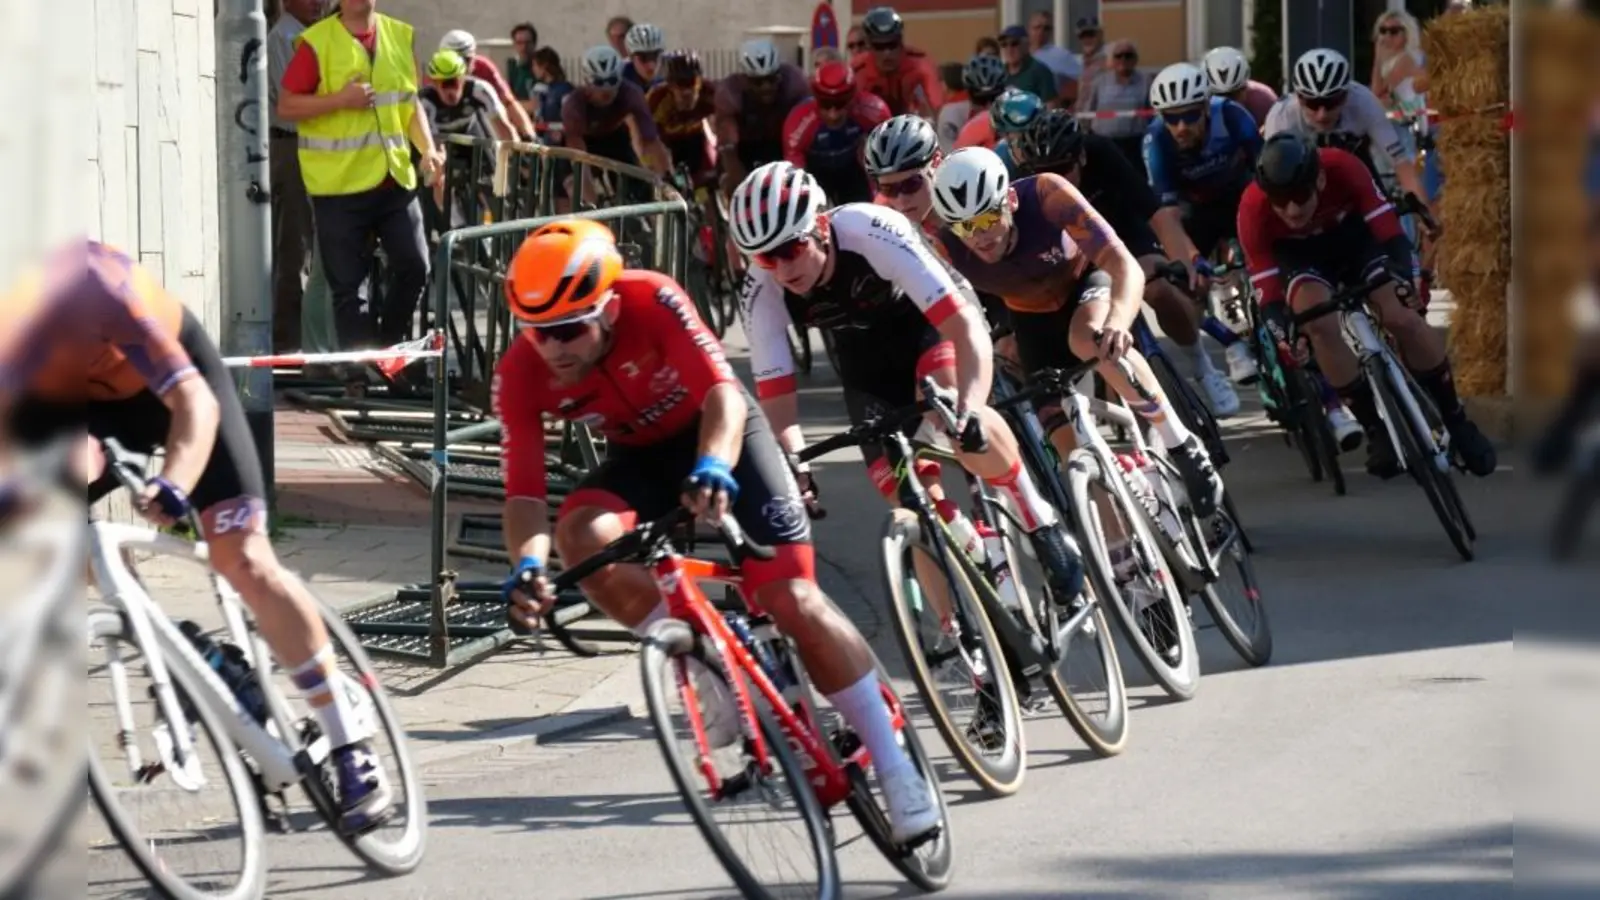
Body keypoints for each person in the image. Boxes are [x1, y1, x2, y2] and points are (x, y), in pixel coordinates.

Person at [495, 219, 941, 845]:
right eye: (537, 332)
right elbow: (523, 492)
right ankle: (704, 656)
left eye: (570, 329)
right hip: (641, 459)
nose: (554, 347)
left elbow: (723, 396)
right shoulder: (522, 370)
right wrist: (528, 567)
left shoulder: (653, 300)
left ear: (611, 308)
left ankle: (896, 765)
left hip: (722, 433)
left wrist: (712, 464)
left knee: (790, 599)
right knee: (581, 536)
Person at [0, 241, 394, 833]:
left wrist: (176, 484)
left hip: (180, 388)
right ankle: (172, 641)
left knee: (242, 557)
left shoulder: (106, 290)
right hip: (96, 416)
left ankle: (348, 733)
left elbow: (194, 404)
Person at [729, 161, 1087, 605]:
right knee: (903, 490)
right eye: (766, 257)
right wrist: (796, 468)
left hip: (931, 325)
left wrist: (971, 406)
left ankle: (1038, 518)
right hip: (866, 365)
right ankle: (961, 628)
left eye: (791, 249)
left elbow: (963, 328)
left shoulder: (870, 228)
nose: (782, 269)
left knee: (952, 415)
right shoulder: (761, 291)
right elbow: (779, 406)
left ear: (821, 225)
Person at [928, 148, 1226, 521]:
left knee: (1087, 338)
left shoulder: (1047, 196)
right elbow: (955, 327)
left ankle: (1180, 442)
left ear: (1010, 200)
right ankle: (1122, 562)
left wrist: (1118, 320)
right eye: (965, 226)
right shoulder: (946, 248)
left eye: (988, 218)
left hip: (1085, 287)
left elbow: (1124, 266)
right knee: (1069, 454)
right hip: (1031, 322)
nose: (981, 236)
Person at [1238, 134, 1496, 477]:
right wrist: (1287, 335)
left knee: (1400, 316)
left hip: (1358, 240)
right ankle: (1376, 428)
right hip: (1302, 260)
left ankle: (1456, 420)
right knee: (1318, 325)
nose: (1291, 209)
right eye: (1280, 202)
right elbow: (1268, 295)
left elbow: (1391, 235)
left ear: (1319, 179)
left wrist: (1405, 281)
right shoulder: (1253, 208)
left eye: (1299, 196)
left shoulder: (1343, 166)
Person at [1015, 109, 1256, 411]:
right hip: (1071, 251)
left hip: (1122, 231)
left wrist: (1184, 262)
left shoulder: (1102, 152)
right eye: (1044, 170)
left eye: (1064, 167)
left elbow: (1157, 213)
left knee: (1160, 290)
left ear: (1082, 158)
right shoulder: (1026, 182)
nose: (1057, 179)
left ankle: (1202, 366)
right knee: (1101, 324)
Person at [277, 0, 440, 355]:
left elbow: (409, 105)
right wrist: (339, 100)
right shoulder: (318, 42)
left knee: (415, 266)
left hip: (394, 180)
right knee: (350, 291)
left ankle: (389, 355)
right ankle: (358, 376)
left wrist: (427, 148)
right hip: (339, 188)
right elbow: (286, 105)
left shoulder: (399, 35)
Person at [1264, 49, 1432, 225]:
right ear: (1298, 97)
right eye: (1312, 104)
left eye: (1331, 102)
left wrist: (1426, 216)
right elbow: (1275, 186)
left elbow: (1401, 165)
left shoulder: (1364, 102)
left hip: (1356, 163)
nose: (1322, 115)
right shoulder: (1281, 117)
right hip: (1302, 177)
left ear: (1346, 95)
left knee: (1385, 220)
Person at [266, 0, 325, 352]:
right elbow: (298, 101)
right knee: (295, 248)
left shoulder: (303, 35)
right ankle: (288, 346)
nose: (318, 2)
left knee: (304, 246)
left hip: (308, 147)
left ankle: (296, 343)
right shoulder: (285, 37)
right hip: (293, 146)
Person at [561, 45, 672, 203]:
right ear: (587, 81)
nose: (606, 90)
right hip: (584, 141)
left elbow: (651, 139)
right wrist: (592, 203)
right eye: (599, 82)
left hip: (615, 138)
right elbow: (578, 158)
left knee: (641, 190)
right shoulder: (574, 105)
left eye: (612, 81)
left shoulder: (631, 93)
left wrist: (666, 176)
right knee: (575, 190)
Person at [783, 61, 890, 206]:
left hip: (851, 170)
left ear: (853, 97)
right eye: (825, 104)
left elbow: (889, 161)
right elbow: (795, 178)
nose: (833, 114)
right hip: (815, 172)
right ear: (815, 98)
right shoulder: (798, 122)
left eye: (841, 104)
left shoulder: (875, 110)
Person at [714, 39, 811, 197]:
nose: (766, 87)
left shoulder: (795, 83)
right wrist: (742, 188)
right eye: (758, 82)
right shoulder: (730, 93)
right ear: (745, 80)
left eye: (772, 79)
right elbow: (728, 148)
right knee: (733, 184)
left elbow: (809, 125)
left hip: (784, 143)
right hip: (745, 147)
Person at [439, 29, 537, 140]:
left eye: (468, 60)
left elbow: (509, 103)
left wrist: (528, 133)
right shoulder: (436, 75)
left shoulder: (483, 68)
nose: (464, 67)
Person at [850, 6, 941, 119]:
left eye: (892, 45)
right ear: (869, 46)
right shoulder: (857, 70)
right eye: (880, 47)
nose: (887, 53)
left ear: (901, 42)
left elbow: (937, 108)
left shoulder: (920, 65)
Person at [649, 50, 719, 188]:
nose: (687, 91)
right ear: (669, 85)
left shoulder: (711, 92)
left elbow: (724, 124)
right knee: (670, 182)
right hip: (667, 143)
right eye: (680, 84)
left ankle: (707, 202)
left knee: (707, 181)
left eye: (691, 83)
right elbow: (648, 140)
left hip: (697, 138)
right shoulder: (656, 99)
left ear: (699, 81)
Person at [1080, 40, 1153, 170]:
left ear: (1135, 59)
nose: (1123, 59)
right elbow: (1087, 111)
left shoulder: (1145, 81)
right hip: (1105, 142)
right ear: (1112, 60)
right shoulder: (1099, 82)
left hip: (1134, 144)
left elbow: (1153, 112)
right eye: (1119, 56)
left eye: (1128, 55)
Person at [940, 54, 1007, 150]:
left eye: (994, 98)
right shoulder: (952, 113)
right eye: (980, 100)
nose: (988, 107)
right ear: (967, 94)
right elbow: (950, 156)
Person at [1201, 46, 1278, 128]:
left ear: (1245, 88)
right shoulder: (1198, 108)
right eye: (1218, 96)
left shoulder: (1264, 100)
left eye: (1233, 95)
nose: (1226, 102)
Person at [1026, 11, 1082, 105]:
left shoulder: (1061, 55)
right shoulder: (1019, 54)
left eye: (1046, 28)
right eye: (1037, 27)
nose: (1041, 32)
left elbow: (1081, 83)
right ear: (1029, 30)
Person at [997, 25, 1058, 106]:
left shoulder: (1040, 71)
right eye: (1004, 44)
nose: (1009, 49)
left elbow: (1051, 106)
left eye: (1014, 43)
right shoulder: (999, 73)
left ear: (1026, 45)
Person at [530, 47, 574, 141]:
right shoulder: (540, 90)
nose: (533, 69)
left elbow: (571, 118)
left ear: (544, 66)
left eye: (535, 65)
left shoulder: (564, 90)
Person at [506, 22, 540, 115]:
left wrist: (513, 106)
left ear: (534, 44)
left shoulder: (542, 68)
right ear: (514, 44)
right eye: (519, 43)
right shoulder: (511, 68)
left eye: (527, 43)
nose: (524, 47)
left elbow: (537, 105)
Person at [1072, 17, 1107, 109]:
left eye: (1091, 35)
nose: (1087, 39)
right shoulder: (1077, 62)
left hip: (1101, 113)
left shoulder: (1110, 59)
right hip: (1083, 114)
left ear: (1100, 35)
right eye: (1083, 36)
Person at [622, 23, 666, 92]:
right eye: (643, 58)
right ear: (631, 57)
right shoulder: (619, 80)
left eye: (655, 56)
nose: (651, 65)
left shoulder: (668, 74)